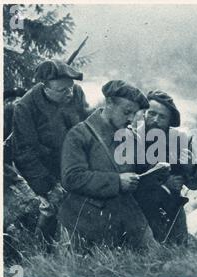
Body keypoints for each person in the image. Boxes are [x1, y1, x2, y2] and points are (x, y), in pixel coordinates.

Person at [58, 80, 159, 250]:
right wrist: (117, 181)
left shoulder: (132, 137)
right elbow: (71, 178)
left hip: (129, 218)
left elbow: (140, 173)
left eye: (135, 114)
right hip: (86, 222)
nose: (131, 119)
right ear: (109, 103)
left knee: (153, 263)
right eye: (127, 112)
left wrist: (156, 172)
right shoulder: (79, 134)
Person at [12, 60, 90, 243]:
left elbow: (87, 127)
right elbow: (25, 154)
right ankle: (41, 248)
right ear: (45, 88)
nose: (70, 93)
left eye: (71, 87)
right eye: (63, 90)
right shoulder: (25, 107)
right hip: (44, 172)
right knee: (50, 213)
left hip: (76, 163)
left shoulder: (76, 93)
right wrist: (48, 186)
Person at [134, 90, 197, 245]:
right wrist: (163, 187)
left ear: (170, 120)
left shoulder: (179, 140)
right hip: (138, 211)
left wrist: (190, 167)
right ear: (144, 113)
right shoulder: (132, 136)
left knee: (178, 252)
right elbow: (125, 182)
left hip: (172, 212)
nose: (155, 120)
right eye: (151, 113)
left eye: (162, 117)